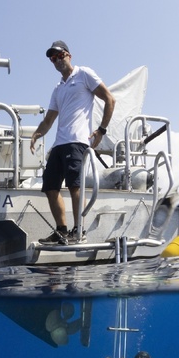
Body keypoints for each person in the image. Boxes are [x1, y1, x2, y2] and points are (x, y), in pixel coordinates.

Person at [30, 41, 115, 244]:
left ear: (68, 55)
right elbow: (49, 119)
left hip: (77, 141)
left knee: (75, 186)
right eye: (52, 58)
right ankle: (61, 231)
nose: (56, 61)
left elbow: (109, 99)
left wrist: (101, 130)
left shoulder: (84, 74)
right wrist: (36, 134)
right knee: (50, 187)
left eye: (59, 56)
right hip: (59, 144)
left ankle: (79, 231)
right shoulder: (58, 89)